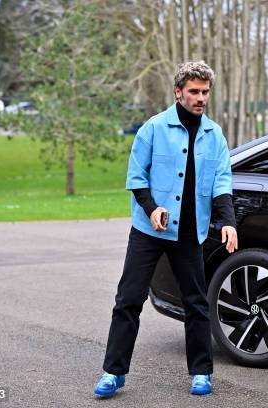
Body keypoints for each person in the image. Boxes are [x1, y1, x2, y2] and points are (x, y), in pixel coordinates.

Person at [93, 61, 238, 397]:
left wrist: (228, 222)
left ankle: (201, 372)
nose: (201, 98)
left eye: (205, 92)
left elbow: (222, 182)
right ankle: (113, 373)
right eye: (194, 92)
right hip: (148, 230)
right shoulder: (154, 128)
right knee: (128, 299)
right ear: (178, 92)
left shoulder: (214, 135)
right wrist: (152, 208)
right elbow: (136, 177)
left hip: (190, 233)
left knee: (196, 303)